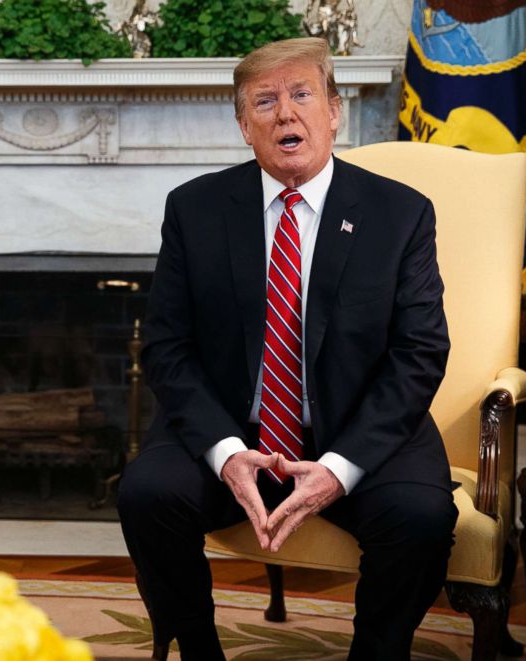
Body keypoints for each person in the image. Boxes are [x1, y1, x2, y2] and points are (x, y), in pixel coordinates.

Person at [117, 37, 456, 660]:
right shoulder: (195, 209)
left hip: (360, 433)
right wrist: (225, 452)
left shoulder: (399, 213)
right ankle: (196, 648)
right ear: (244, 126)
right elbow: (166, 347)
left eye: (302, 94)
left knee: (420, 517)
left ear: (334, 112)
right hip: (233, 428)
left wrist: (339, 467)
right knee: (147, 494)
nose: (284, 113)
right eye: (264, 102)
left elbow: (419, 352)